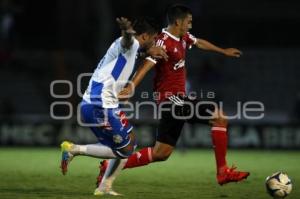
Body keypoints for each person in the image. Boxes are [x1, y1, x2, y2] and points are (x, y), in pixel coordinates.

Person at [96, 4, 250, 189]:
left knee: (161, 153)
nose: (190, 26)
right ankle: (222, 172)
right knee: (219, 117)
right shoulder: (162, 41)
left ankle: (108, 167)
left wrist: (223, 51)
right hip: (171, 99)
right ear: (178, 22)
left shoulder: (182, 36)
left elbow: (199, 42)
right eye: (189, 22)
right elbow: (147, 63)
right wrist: (132, 86)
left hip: (175, 100)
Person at [60, 17, 167, 196]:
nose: (155, 42)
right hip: (99, 105)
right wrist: (127, 31)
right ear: (145, 36)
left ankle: (105, 187)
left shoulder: (132, 50)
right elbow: (128, 41)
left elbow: (135, 52)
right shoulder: (130, 43)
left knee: (130, 141)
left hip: (102, 104)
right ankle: (73, 149)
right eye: (154, 38)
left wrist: (148, 52)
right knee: (125, 149)